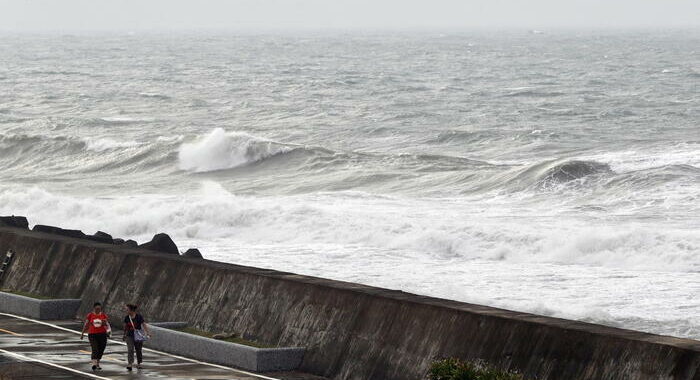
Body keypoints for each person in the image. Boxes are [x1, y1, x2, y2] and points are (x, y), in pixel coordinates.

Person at [80, 302, 111, 371]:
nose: (98, 310)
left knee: (101, 348)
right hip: (92, 334)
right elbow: (86, 324)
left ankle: (97, 363)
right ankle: (94, 364)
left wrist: (105, 324)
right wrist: (82, 334)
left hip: (102, 334)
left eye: (99, 309)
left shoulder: (103, 315)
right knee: (95, 348)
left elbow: (107, 325)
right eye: (97, 309)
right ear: (94, 308)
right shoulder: (90, 315)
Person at [122, 303, 151, 371]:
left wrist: (148, 332)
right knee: (130, 349)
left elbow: (144, 324)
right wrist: (124, 335)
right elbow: (125, 327)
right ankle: (130, 364)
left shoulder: (139, 317)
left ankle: (139, 363)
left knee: (138, 350)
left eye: (127, 310)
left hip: (138, 336)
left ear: (131, 310)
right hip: (129, 336)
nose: (126, 311)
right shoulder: (127, 317)